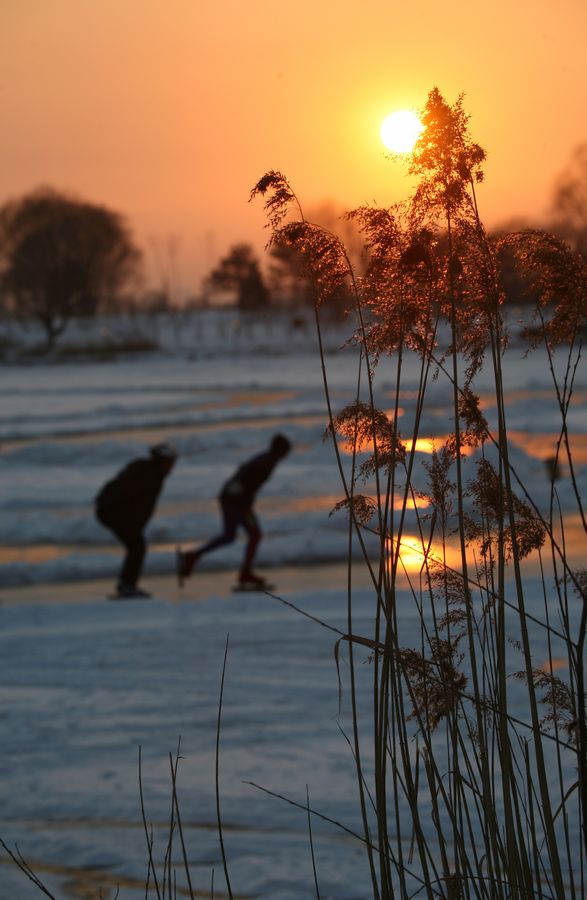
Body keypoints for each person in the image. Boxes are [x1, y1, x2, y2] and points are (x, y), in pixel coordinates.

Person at [177, 433, 291, 588]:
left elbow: (243, 474)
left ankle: (193, 557)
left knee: (230, 536)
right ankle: (245, 573)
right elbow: (246, 479)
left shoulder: (266, 459)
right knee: (254, 535)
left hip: (232, 499)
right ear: (282, 451)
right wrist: (244, 503)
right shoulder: (266, 462)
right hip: (236, 501)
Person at [95, 443, 177, 598]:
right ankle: (126, 586)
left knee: (136, 547)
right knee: (137, 547)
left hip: (111, 510)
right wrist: (131, 522)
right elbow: (130, 497)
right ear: (161, 461)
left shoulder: (149, 470)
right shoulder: (149, 473)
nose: (172, 467)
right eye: (169, 462)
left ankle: (126, 585)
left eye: (173, 463)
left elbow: (143, 505)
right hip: (112, 511)